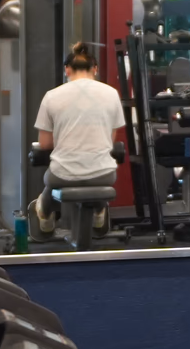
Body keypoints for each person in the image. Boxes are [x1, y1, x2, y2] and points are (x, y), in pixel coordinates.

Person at [30, 42, 127, 238]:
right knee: (95, 172)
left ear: (67, 70)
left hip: (63, 175)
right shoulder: (111, 94)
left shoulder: (52, 96)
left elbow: (46, 144)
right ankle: (99, 211)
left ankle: (45, 214)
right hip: (105, 175)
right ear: (95, 69)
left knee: (51, 180)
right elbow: (110, 138)